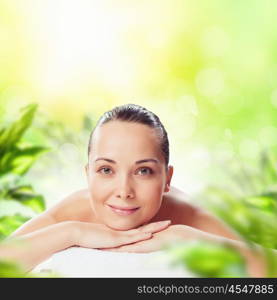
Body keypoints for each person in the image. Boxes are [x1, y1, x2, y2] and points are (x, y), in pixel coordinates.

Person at [0, 104, 268, 276]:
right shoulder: (75, 212)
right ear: (88, 174)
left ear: (167, 179)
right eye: (106, 170)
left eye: (143, 171)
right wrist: (74, 232)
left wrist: (183, 237)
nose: (124, 190)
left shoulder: (188, 216)